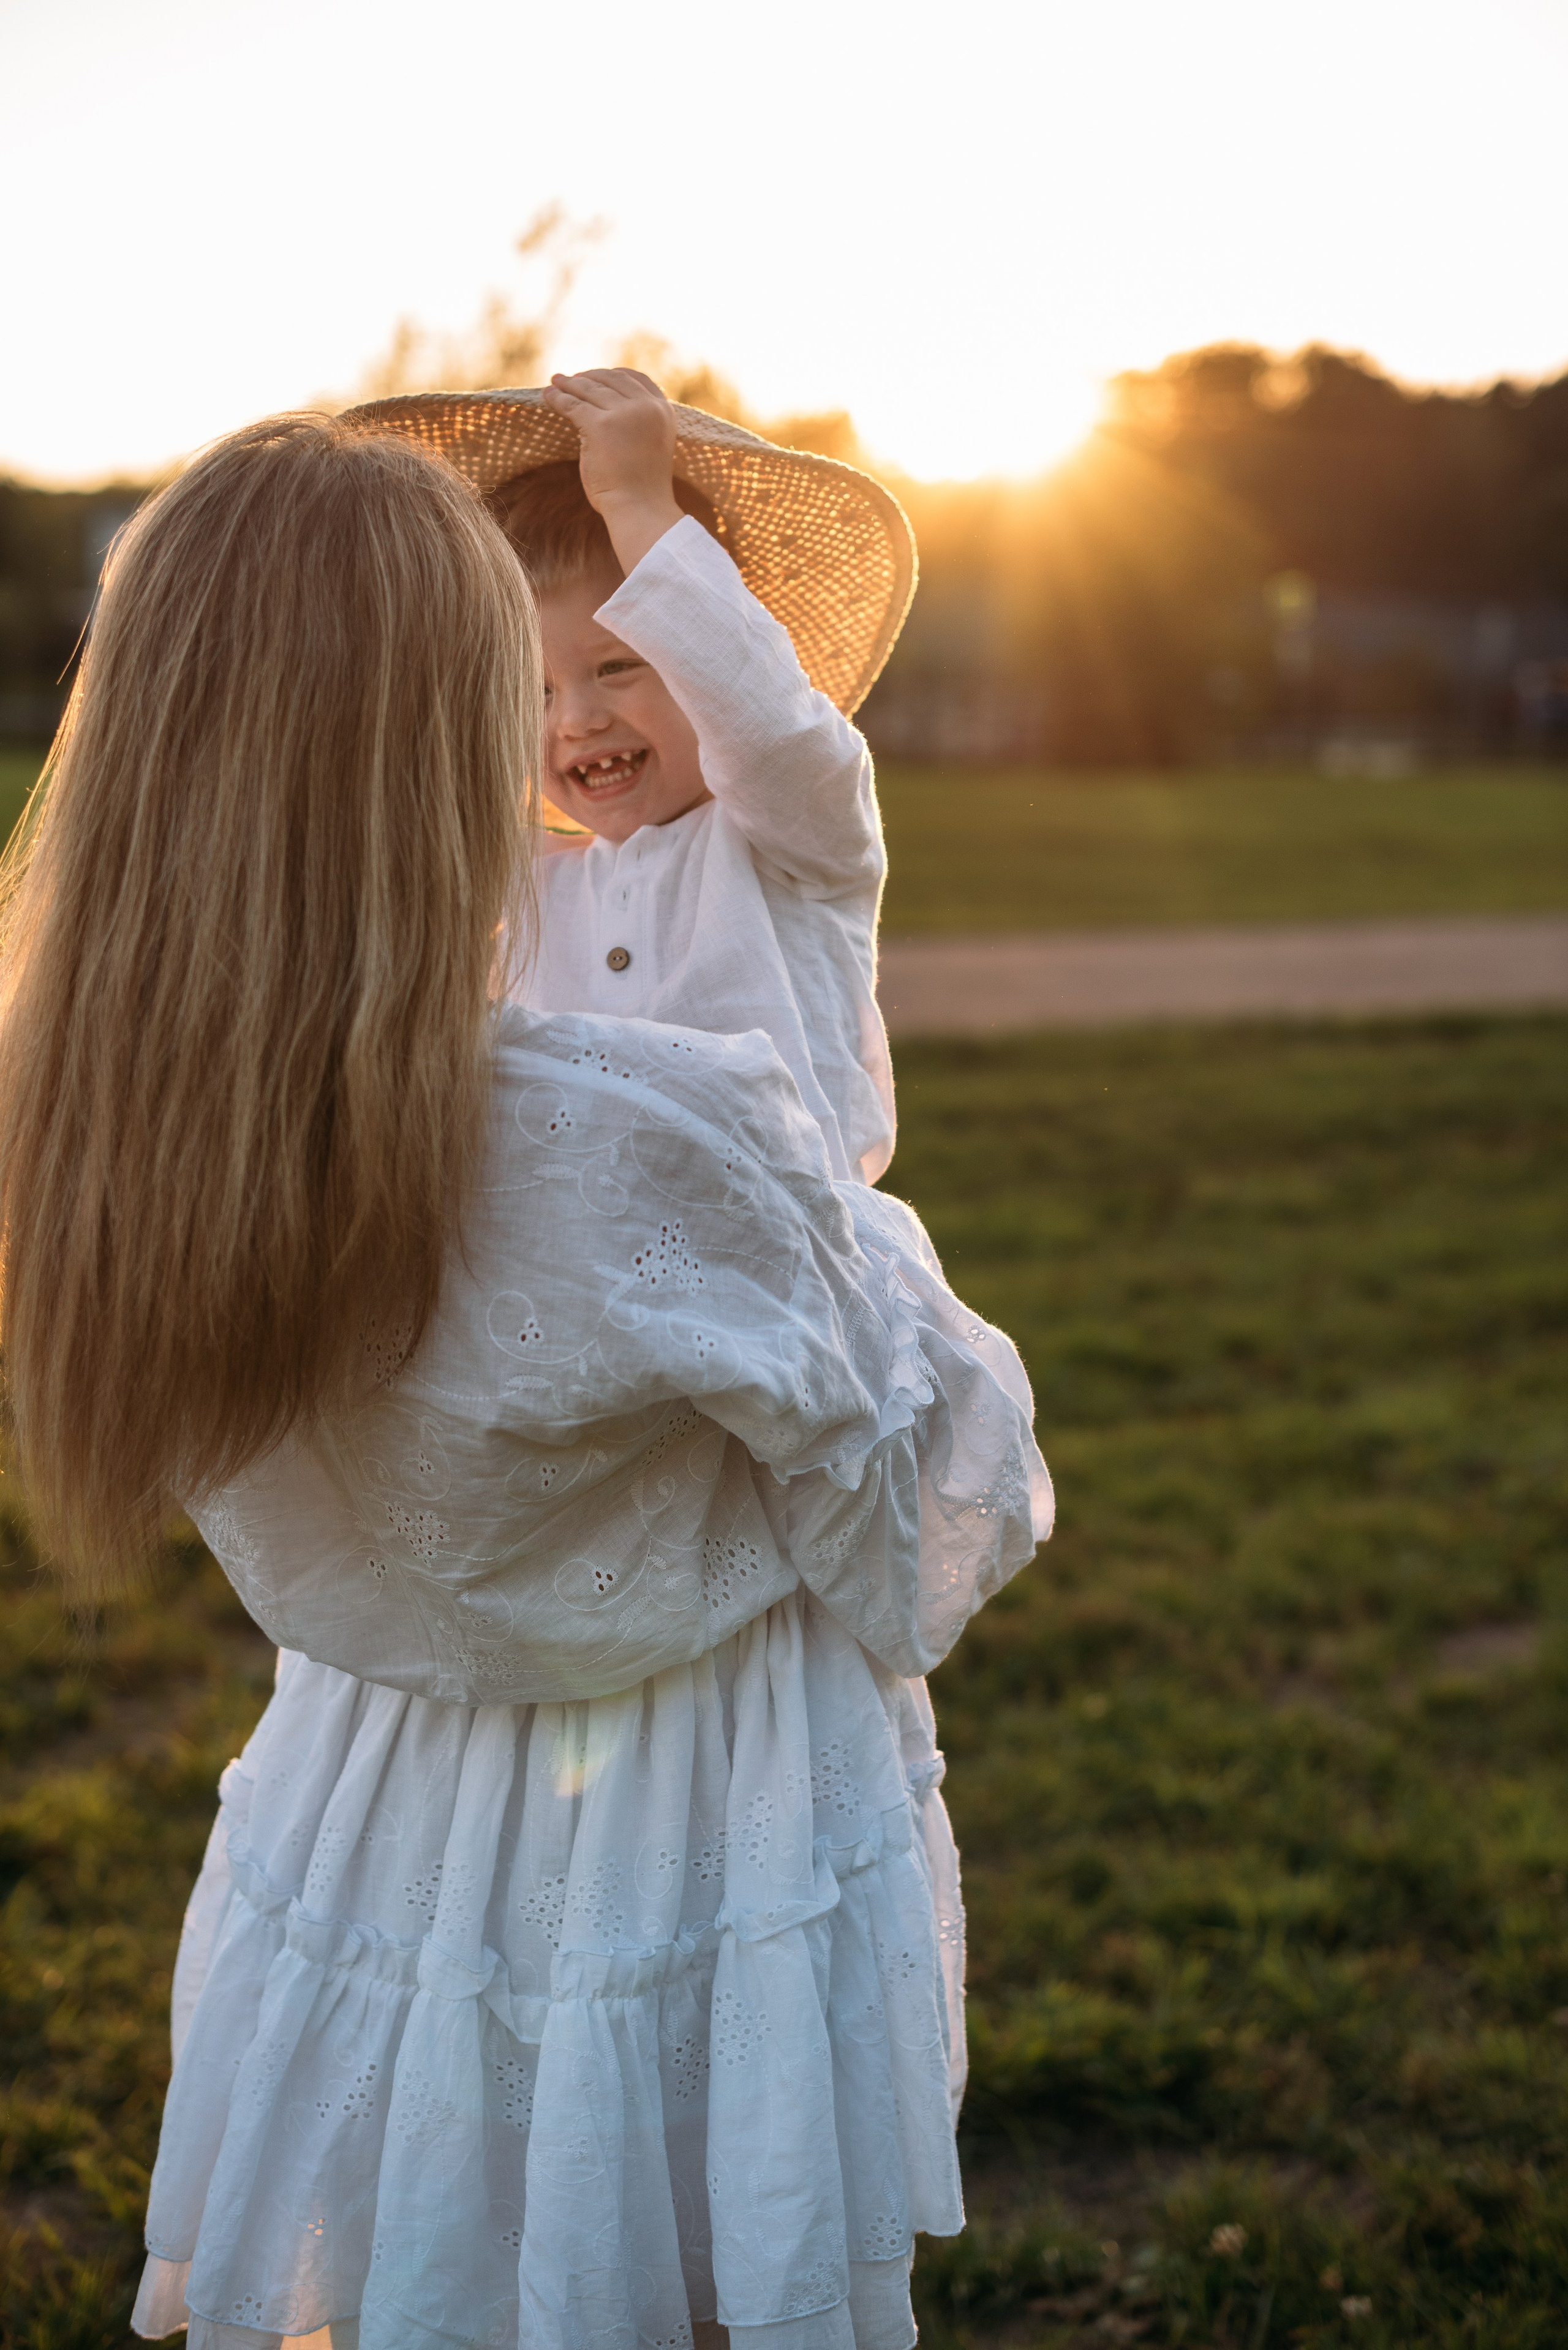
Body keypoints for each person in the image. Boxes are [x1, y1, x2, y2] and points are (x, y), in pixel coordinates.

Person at [0, 413, 1051, 2350]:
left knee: (430, 2209)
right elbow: (921, 1535)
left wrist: (652, 521)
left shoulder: (177, 1132)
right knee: (669, 2221)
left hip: (377, 1773)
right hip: (695, 1768)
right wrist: (863, 1272)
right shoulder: (568, 1031)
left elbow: (790, 756)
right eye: (519, 676)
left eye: (623, 661)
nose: (570, 719)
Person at [344, 368, 914, 1186]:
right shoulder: (521, 884)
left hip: (772, 1288)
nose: (575, 719)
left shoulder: (793, 836)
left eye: (617, 666)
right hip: (586, 1298)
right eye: (532, 691)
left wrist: (640, 508)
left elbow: (765, 715)